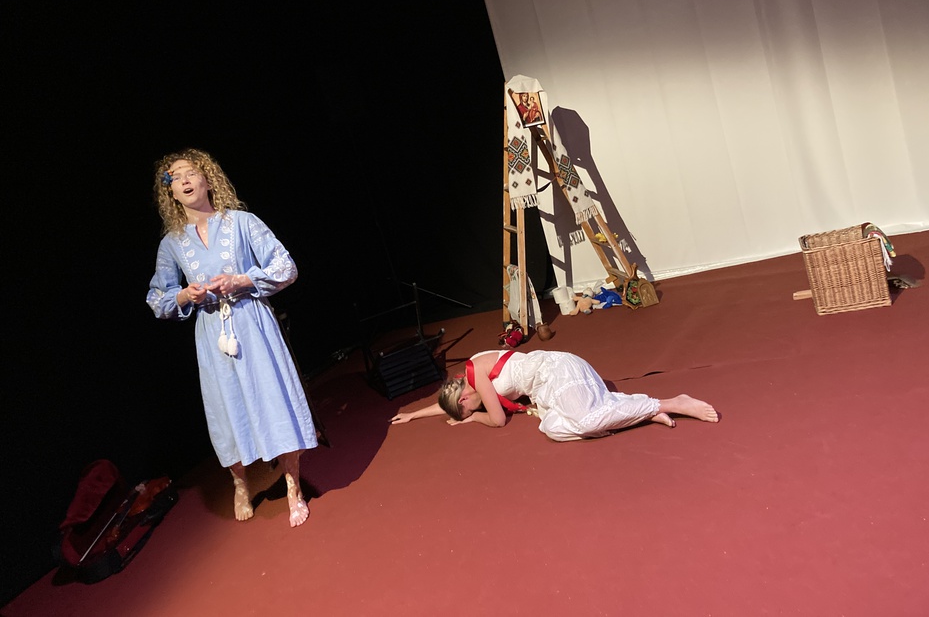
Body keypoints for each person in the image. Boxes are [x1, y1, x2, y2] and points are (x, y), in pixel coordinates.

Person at [146, 148, 317, 527]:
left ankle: (293, 486)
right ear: (170, 192)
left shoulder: (242, 222)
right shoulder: (172, 244)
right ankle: (240, 483)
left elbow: (285, 266)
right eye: (176, 177)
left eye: (191, 173)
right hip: (212, 334)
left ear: (208, 180)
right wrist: (184, 295)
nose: (185, 180)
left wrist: (242, 279)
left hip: (253, 323)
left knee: (274, 399)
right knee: (227, 410)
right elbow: (157, 299)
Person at [390, 349, 719, 441]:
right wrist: (414, 415)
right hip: (549, 391)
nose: (473, 411)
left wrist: (475, 419)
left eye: (468, 410)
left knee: (586, 422)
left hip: (560, 372)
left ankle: (670, 403)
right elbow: (447, 405)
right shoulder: (468, 383)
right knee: (553, 429)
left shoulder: (476, 376)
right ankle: (645, 412)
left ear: (464, 399)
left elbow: (498, 420)